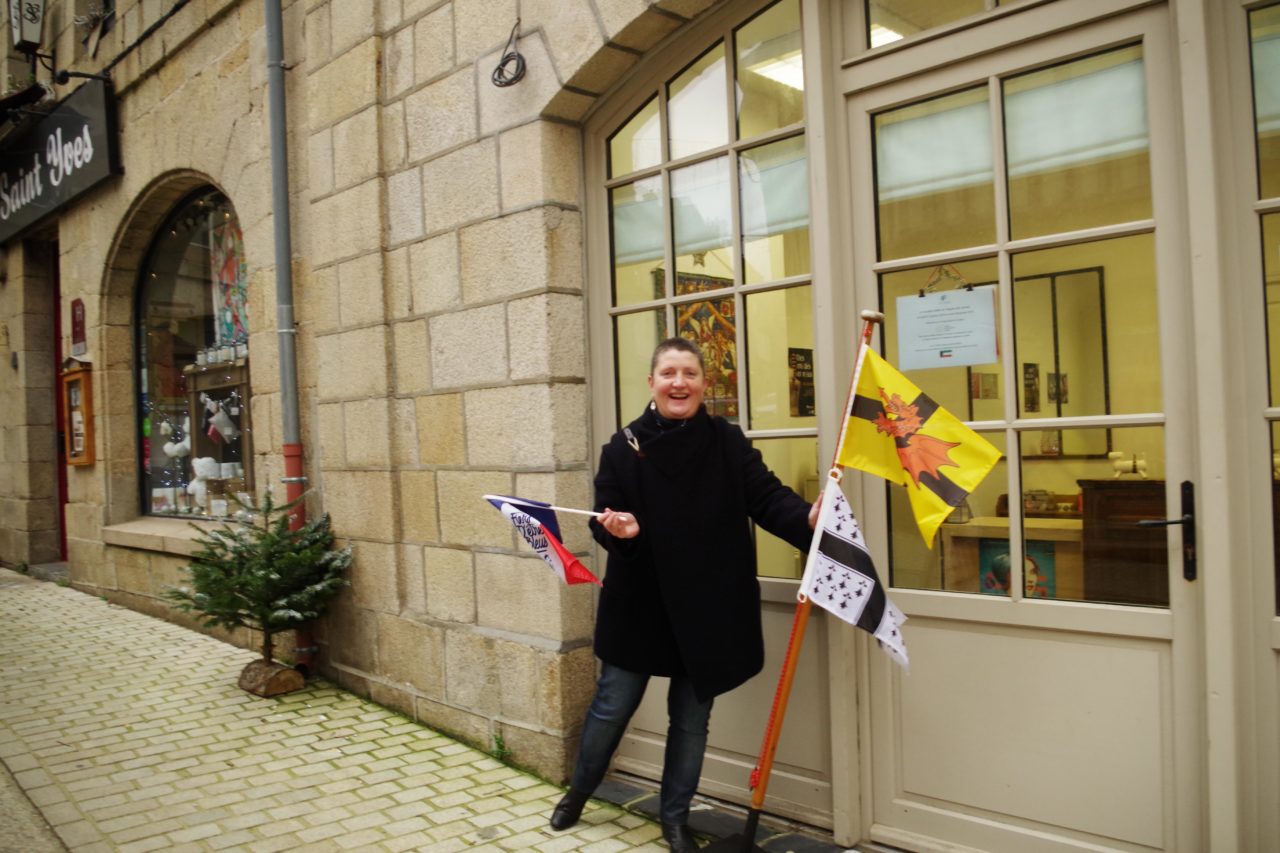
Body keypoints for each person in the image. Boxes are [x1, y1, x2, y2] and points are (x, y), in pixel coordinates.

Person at [549, 337, 820, 852]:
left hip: (709, 607)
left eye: (690, 374)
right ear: (652, 382)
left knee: (691, 720)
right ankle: (579, 793)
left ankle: (674, 818)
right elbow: (605, 520)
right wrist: (621, 532)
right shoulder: (621, 446)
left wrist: (806, 516)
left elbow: (765, 497)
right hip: (641, 606)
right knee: (612, 706)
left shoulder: (726, 441)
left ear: (704, 384)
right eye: (669, 373)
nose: (680, 383)